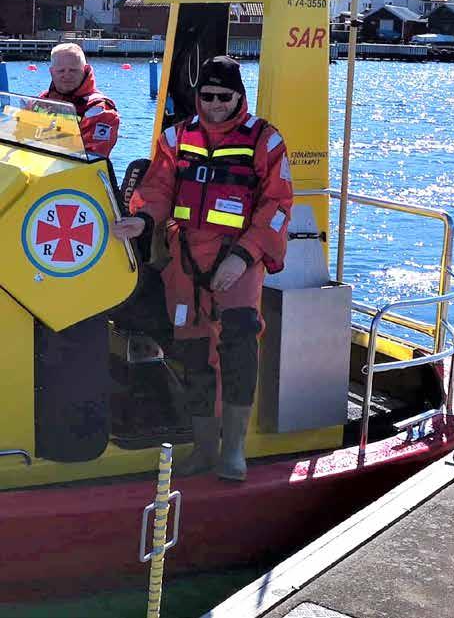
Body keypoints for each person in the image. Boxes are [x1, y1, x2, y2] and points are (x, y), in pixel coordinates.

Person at [112, 55, 292, 481]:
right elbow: (156, 188)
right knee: (193, 354)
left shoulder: (265, 141)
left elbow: (278, 205)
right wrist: (143, 219)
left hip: (238, 261)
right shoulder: (175, 138)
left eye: (223, 96)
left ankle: (233, 452)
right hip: (185, 261)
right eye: (206, 95)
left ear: (239, 96)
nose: (214, 104)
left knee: (239, 344)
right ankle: (204, 449)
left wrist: (244, 256)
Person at [42, 42, 120, 157]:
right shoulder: (42, 100)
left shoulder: (100, 109)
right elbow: (18, 135)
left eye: (73, 70)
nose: (67, 75)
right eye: (61, 71)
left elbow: (92, 155)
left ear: (85, 69)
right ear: (52, 72)